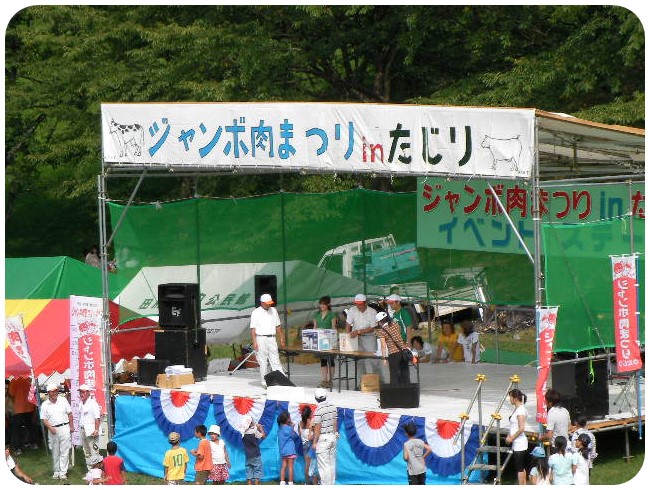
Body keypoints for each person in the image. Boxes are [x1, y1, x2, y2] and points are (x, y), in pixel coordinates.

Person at [345, 293, 383, 384]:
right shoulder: (352, 310)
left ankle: (380, 382)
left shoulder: (372, 311)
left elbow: (372, 328)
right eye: (357, 304)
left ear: (365, 303)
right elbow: (348, 324)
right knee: (359, 361)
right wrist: (347, 337)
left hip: (369, 338)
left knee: (374, 360)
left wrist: (358, 332)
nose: (359, 306)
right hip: (356, 338)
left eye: (360, 304)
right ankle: (363, 383)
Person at [250, 293, 286, 387]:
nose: (269, 305)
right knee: (263, 361)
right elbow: (253, 329)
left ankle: (281, 379)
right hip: (260, 338)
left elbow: (278, 325)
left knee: (275, 359)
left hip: (272, 338)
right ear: (262, 303)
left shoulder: (273, 310)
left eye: (270, 303)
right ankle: (264, 381)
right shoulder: (255, 312)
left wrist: (281, 337)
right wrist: (254, 342)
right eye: (267, 303)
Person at [40, 383, 74, 480]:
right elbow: (44, 419)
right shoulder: (45, 404)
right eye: (52, 391)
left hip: (64, 427)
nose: (55, 393)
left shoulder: (63, 400)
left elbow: (70, 413)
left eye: (56, 391)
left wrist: (71, 426)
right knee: (55, 451)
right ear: (48, 393)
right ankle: (56, 471)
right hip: (53, 429)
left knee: (65, 451)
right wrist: (50, 427)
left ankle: (63, 472)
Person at [376, 311, 411, 386]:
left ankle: (395, 391)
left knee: (394, 374)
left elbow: (383, 346)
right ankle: (407, 390)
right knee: (405, 373)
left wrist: (384, 358)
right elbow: (399, 333)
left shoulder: (382, 331)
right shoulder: (395, 324)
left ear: (379, 322)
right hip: (403, 351)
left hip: (393, 354)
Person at [311, 388, 338, 486]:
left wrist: (314, 442)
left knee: (324, 466)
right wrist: (335, 434)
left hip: (323, 439)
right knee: (331, 464)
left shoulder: (318, 410)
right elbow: (335, 423)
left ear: (316, 398)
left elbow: (317, 428)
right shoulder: (333, 406)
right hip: (332, 436)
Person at [504, 388, 528, 485]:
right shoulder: (518, 409)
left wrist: (511, 438)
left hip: (519, 443)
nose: (509, 399)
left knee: (519, 468)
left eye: (510, 397)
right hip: (517, 442)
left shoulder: (520, 410)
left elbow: (521, 428)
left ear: (515, 398)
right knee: (521, 467)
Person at [312, 295, 337, 388]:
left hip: (329, 339)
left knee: (331, 360)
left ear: (328, 304)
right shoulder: (316, 314)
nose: (322, 306)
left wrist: (332, 337)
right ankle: (324, 380)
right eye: (321, 304)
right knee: (323, 361)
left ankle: (330, 380)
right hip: (320, 340)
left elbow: (333, 327)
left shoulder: (332, 314)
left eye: (324, 304)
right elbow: (314, 327)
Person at [8, 376, 37, 454]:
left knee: (16, 429)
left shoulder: (14, 381)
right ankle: (33, 443)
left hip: (18, 409)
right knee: (30, 426)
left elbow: (11, 394)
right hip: (29, 408)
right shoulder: (29, 381)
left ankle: (17, 448)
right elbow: (33, 394)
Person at [78, 383, 102, 470]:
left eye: (83, 392)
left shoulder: (93, 403)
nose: (81, 394)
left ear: (88, 392)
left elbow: (97, 418)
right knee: (86, 452)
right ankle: (90, 471)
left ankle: (96, 471)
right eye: (80, 392)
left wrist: (96, 430)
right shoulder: (81, 403)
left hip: (91, 431)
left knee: (94, 451)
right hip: (83, 429)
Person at [539, 389, 571, 453]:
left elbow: (549, 435)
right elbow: (569, 427)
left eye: (546, 401)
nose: (545, 403)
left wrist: (541, 437)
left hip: (556, 447)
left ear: (550, 403)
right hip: (566, 444)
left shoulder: (551, 412)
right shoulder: (565, 410)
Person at [240, 415, 265, 485]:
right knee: (257, 469)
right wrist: (260, 428)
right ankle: (256, 484)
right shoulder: (254, 432)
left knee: (248, 469)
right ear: (250, 423)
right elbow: (263, 436)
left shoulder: (243, 433)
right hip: (256, 454)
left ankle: (249, 483)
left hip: (248, 455)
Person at [277, 411, 298, 485]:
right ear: (287, 419)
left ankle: (282, 482)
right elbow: (294, 436)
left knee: (283, 466)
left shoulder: (279, 429)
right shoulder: (289, 428)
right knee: (290, 467)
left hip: (283, 451)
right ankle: (290, 482)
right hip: (290, 451)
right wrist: (292, 427)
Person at [299, 406, 318, 485]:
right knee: (312, 465)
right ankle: (313, 482)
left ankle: (307, 482)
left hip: (304, 444)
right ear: (309, 413)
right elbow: (310, 437)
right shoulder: (311, 422)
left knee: (307, 465)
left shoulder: (300, 423)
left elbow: (300, 434)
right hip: (310, 444)